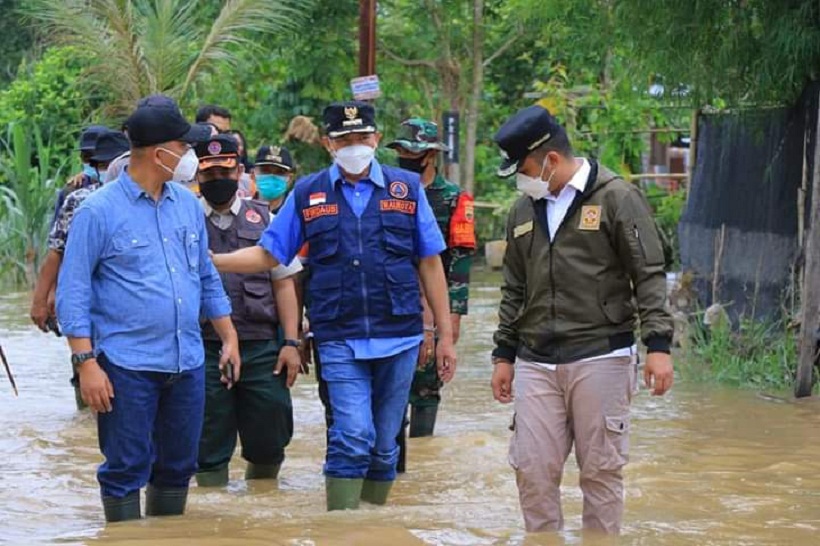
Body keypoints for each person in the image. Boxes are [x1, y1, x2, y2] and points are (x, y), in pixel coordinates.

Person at [211, 101, 457, 511]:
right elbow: (270, 256)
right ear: (328, 144)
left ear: (377, 139)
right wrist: (212, 261)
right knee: (351, 435)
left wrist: (444, 335)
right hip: (338, 335)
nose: (354, 145)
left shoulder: (406, 189)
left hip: (399, 335)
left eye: (362, 137)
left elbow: (430, 263)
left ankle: (372, 529)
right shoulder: (309, 192)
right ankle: (339, 528)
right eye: (344, 139)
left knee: (384, 443)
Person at [489, 105, 674, 534]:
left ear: (551, 160)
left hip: (601, 355)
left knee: (601, 473)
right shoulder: (521, 212)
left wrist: (658, 347)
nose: (522, 178)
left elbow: (647, 273)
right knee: (531, 470)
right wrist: (503, 354)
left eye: (525, 168)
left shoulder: (616, 197)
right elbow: (514, 288)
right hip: (535, 359)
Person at [56, 95, 241, 523]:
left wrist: (228, 336)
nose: (190, 156)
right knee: (124, 468)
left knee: (178, 468)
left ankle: (164, 534)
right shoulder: (97, 212)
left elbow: (205, 276)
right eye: (184, 147)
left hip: (187, 361)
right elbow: (74, 292)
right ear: (160, 153)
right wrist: (86, 363)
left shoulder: (187, 207)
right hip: (125, 364)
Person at [193, 134, 302, 487]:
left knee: (270, 432)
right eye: (208, 176)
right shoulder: (187, 218)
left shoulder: (265, 218)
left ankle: (262, 510)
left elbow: (284, 283)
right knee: (206, 435)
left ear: (239, 172)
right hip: (204, 346)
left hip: (261, 345)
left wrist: (291, 342)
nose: (217, 182)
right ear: (198, 177)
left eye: (225, 172)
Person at [387, 117, 476, 448]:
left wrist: (451, 320)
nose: (407, 158)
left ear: (431, 155)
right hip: (392, 300)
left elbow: (460, 260)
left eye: (414, 152)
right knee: (390, 384)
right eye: (401, 151)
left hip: (435, 300)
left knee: (426, 382)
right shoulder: (387, 191)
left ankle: (423, 452)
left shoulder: (453, 199)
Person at [31, 129, 131, 409]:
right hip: (89, 303)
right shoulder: (78, 199)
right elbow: (56, 252)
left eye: (104, 163)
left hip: (121, 310)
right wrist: (44, 298)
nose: (101, 169)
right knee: (88, 364)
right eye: (96, 164)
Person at [53, 125, 109, 221]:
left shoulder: (127, 189)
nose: (92, 163)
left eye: (97, 157)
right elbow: (58, 231)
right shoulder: (72, 190)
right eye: (86, 157)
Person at [252, 144, 295, 214]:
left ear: (289, 179)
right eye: (265, 170)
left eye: (279, 172)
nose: (272, 176)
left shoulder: (296, 213)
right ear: (253, 175)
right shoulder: (241, 210)